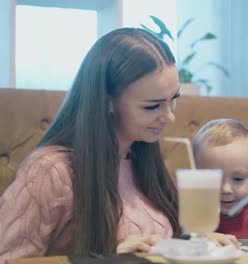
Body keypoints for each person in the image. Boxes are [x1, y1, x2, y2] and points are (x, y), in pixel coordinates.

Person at [0, 28, 233, 263]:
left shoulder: (141, 156)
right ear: (108, 103)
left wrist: (190, 243)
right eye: (152, 107)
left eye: (174, 99)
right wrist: (103, 258)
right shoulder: (50, 171)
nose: (170, 117)